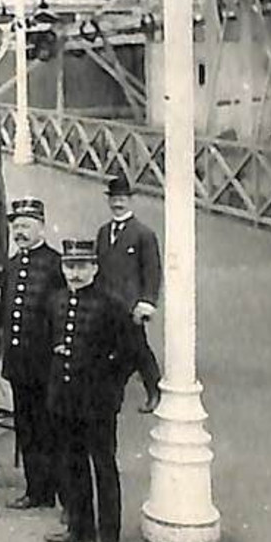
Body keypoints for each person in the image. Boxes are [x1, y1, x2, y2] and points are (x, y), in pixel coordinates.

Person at [44, 237, 134, 542]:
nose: (76, 273)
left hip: (97, 403)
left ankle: (110, 537)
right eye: (70, 266)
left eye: (82, 266)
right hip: (65, 399)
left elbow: (129, 353)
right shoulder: (55, 301)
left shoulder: (112, 304)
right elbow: (47, 344)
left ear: (95, 268)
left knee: (104, 468)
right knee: (73, 464)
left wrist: (110, 386)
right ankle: (80, 529)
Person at [0, 196, 64, 510]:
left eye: (26, 226)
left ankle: (57, 492)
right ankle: (35, 489)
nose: (20, 232)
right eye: (16, 226)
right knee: (26, 427)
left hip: (46, 364)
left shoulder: (55, 264)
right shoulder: (12, 264)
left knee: (50, 428)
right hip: (19, 363)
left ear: (41, 227)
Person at [94, 175, 162, 413]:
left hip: (130, 306)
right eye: (114, 199)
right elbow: (98, 268)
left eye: (122, 199)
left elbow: (152, 272)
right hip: (106, 303)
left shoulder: (143, 234)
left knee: (138, 349)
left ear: (130, 201)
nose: (117, 204)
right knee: (110, 350)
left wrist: (146, 302)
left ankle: (155, 391)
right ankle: (111, 396)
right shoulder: (103, 232)